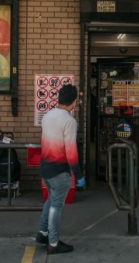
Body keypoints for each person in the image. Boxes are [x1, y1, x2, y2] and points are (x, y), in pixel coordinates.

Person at [36, 84, 85, 255]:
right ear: (74, 102)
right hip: (59, 171)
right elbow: (71, 151)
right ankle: (54, 243)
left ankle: (43, 234)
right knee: (56, 206)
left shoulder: (48, 115)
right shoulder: (69, 121)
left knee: (49, 201)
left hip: (45, 167)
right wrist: (78, 175)